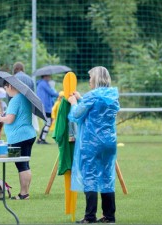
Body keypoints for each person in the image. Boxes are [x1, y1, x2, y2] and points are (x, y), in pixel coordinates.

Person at [67, 66, 120, 223]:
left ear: (96, 79)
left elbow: (76, 114)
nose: (89, 81)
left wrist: (73, 102)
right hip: (109, 142)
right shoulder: (113, 95)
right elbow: (97, 108)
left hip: (92, 141)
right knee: (107, 176)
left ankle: (90, 216)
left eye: (90, 79)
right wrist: (82, 98)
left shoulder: (92, 95)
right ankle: (109, 216)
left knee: (90, 175)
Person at [0, 80, 36, 200]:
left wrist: (0, 118)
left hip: (19, 137)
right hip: (28, 134)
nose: (6, 92)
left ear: (10, 86)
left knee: (21, 165)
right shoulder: (24, 98)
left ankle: (23, 193)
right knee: (25, 164)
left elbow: (10, 119)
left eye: (6, 89)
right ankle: (25, 192)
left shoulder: (15, 100)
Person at [36, 74, 59, 144]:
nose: (50, 77)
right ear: (45, 76)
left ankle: (40, 139)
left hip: (45, 106)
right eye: (49, 76)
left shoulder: (42, 83)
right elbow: (52, 93)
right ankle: (41, 139)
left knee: (48, 122)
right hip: (45, 107)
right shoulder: (43, 84)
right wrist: (61, 94)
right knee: (48, 122)